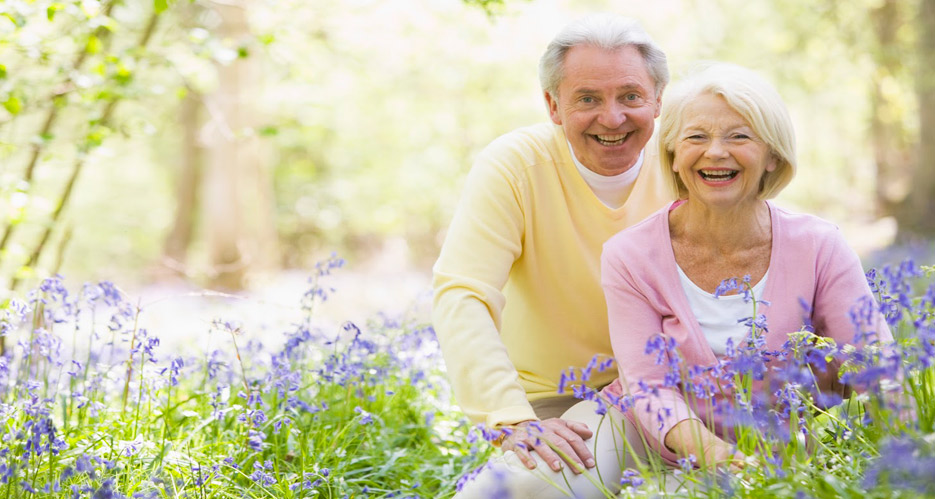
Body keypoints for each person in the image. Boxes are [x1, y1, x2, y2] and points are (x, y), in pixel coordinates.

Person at [599, 62, 893, 471]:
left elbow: (874, 364)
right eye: (696, 137)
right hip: (639, 434)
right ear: (674, 154)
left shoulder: (819, 245)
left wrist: (912, 440)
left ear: (772, 155)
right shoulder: (628, 254)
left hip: (771, 452)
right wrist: (721, 458)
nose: (716, 152)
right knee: (532, 486)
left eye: (739, 136)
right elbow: (647, 386)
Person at [432, 14, 673, 496]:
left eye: (630, 96)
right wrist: (511, 416)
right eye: (587, 99)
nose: (612, 117)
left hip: (665, 395)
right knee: (524, 488)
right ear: (553, 105)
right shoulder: (515, 166)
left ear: (658, 101)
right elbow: (463, 294)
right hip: (550, 402)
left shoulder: (685, 161)